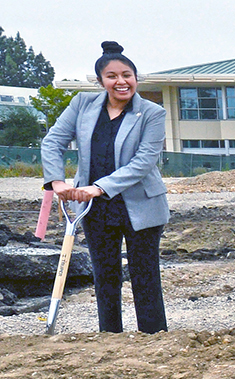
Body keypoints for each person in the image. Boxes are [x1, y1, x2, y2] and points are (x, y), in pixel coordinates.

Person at [39, 41, 171, 334]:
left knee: (144, 275)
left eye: (127, 75)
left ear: (136, 78)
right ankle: (109, 337)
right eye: (112, 76)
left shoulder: (151, 112)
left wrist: (98, 187)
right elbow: (53, 141)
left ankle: (153, 337)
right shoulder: (82, 104)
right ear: (101, 81)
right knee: (105, 275)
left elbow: (144, 162)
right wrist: (58, 181)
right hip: (92, 208)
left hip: (141, 205)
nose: (121, 82)